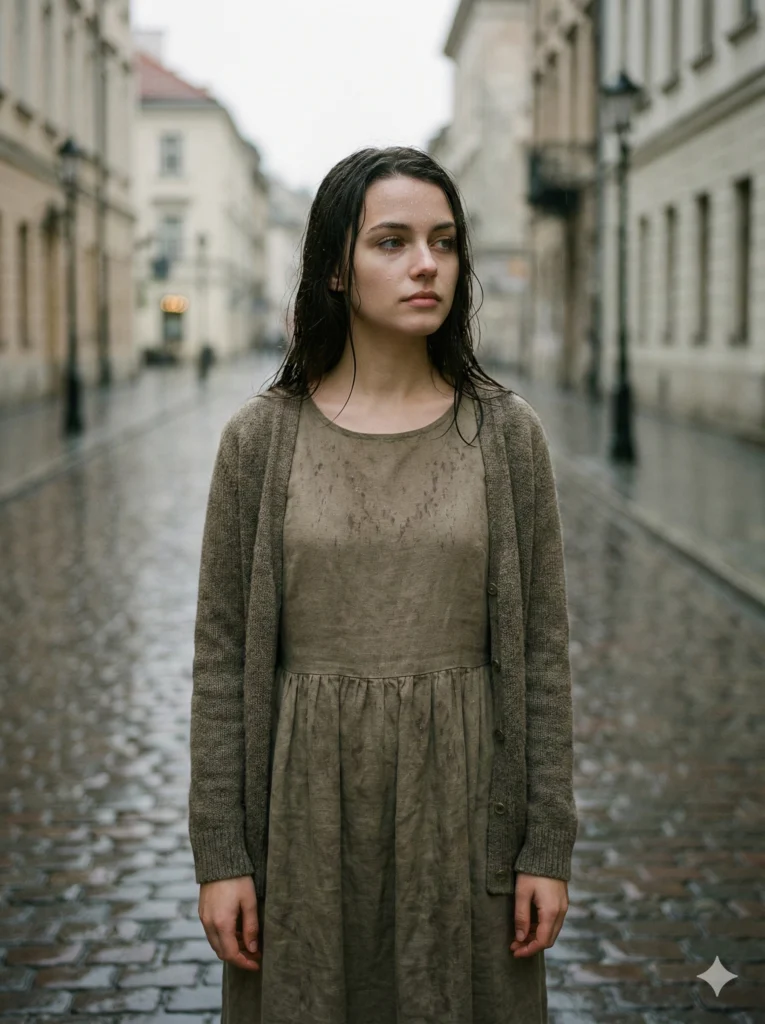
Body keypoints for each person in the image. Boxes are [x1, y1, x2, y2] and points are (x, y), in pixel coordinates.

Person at [189, 146, 578, 1024]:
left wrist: (545, 844)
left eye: (443, 242)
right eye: (392, 242)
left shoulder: (508, 436)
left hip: (466, 803)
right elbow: (220, 661)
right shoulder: (258, 441)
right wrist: (222, 855)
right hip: (303, 813)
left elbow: (544, 653)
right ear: (335, 268)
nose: (425, 265)